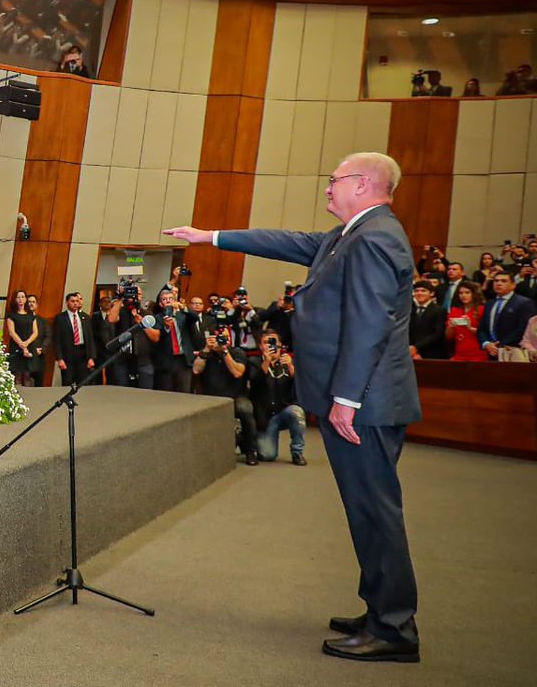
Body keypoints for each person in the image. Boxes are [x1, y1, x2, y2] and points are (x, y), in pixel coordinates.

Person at [165, 151, 422, 663]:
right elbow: (286, 242)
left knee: (375, 512)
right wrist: (210, 237)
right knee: (364, 510)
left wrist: (346, 399)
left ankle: (394, 630)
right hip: (360, 398)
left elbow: (370, 325)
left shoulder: (375, 238)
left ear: (365, 184)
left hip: (365, 402)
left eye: (334, 180)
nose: (327, 188)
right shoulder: (350, 233)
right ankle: (380, 610)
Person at [192, 324, 258, 466]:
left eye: (225, 339)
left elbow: (237, 372)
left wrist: (224, 352)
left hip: (235, 397)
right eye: (219, 339)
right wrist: (206, 349)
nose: (222, 341)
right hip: (211, 398)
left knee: (245, 409)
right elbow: (196, 370)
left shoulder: (237, 352)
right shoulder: (206, 354)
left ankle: (250, 450)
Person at [249, 329, 307, 466]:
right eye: (266, 342)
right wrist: (266, 362)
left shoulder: (288, 363)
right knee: (267, 456)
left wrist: (292, 369)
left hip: (284, 412)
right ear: (260, 346)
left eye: (273, 342)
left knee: (296, 412)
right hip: (264, 417)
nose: (270, 346)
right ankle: (243, 437)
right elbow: (254, 382)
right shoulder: (254, 362)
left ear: (280, 345)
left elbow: (302, 388)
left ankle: (297, 452)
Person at [478, 271, 537, 358]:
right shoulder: (489, 303)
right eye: (496, 281)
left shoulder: (524, 303)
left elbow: (523, 328)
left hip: (514, 352)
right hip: (490, 351)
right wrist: (486, 343)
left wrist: (500, 345)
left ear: (513, 285)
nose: (499, 283)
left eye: (503, 281)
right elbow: (481, 329)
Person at [152, 288, 196, 393]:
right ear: (161, 304)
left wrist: (183, 307)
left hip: (183, 359)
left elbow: (195, 318)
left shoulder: (184, 316)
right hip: (166, 360)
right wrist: (166, 327)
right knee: (167, 393)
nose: (168, 301)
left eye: (170, 298)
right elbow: (157, 338)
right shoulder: (157, 318)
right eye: (164, 299)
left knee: (184, 391)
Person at [52, 292, 96, 386]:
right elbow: (56, 340)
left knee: (83, 383)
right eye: (72, 301)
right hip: (68, 356)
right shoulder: (60, 318)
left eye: (77, 301)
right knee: (67, 382)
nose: (75, 303)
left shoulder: (85, 317)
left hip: (83, 354)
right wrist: (59, 358)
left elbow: (90, 339)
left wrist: (91, 357)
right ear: (67, 303)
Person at [445, 282, 488, 362]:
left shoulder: (481, 310)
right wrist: (450, 327)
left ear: (474, 294)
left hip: (477, 353)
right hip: (459, 353)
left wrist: (470, 328)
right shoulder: (455, 311)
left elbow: (486, 333)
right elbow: (449, 336)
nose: (463, 295)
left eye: (467, 292)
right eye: (460, 293)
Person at [5, 290, 39, 387]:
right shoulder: (12, 315)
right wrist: (23, 346)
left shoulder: (30, 314)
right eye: (18, 297)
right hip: (17, 346)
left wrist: (27, 343)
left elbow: (35, 332)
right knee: (17, 375)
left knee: (28, 375)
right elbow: (12, 332)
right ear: (15, 299)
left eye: (23, 297)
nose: (20, 299)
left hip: (29, 346)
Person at [408, 281, 447, 360]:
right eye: (416, 291)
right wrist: (411, 349)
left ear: (432, 293)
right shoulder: (408, 310)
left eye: (423, 291)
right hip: (409, 352)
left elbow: (438, 333)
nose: (419, 293)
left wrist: (416, 348)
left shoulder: (439, 310)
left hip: (431, 352)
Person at [27, 294, 51, 386]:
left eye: (33, 302)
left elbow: (48, 336)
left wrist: (42, 349)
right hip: (25, 355)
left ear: (36, 305)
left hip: (39, 356)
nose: (31, 304)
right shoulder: (20, 320)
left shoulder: (42, 321)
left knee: (39, 383)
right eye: (29, 302)